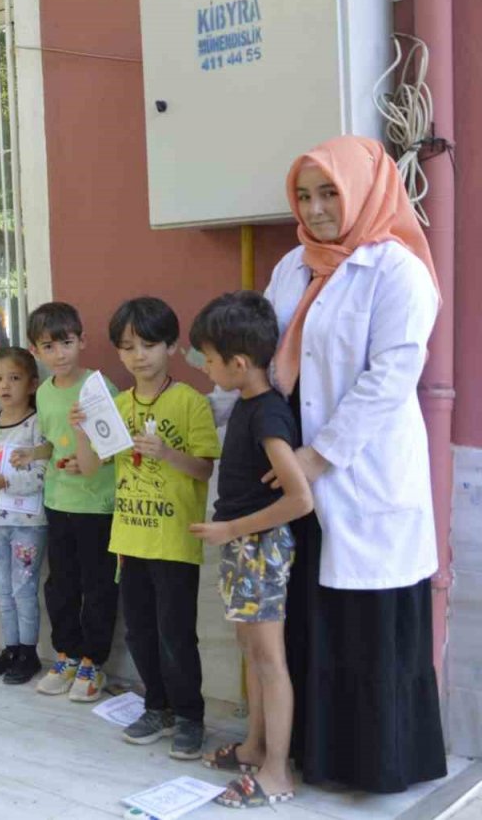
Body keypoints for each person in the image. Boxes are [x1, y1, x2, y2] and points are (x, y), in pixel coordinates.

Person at [266, 135, 446, 793]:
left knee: (368, 629)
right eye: (305, 195)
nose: (315, 210)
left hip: (361, 476)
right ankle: (318, 757)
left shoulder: (398, 269)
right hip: (295, 476)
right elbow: (266, 355)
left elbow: (391, 376)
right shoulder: (292, 267)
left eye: (330, 193)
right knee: (314, 617)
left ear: (365, 190)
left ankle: (380, 767)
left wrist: (321, 455)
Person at [72, 297, 219, 761]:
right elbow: (93, 467)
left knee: (175, 633)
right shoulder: (114, 405)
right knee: (138, 631)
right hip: (129, 538)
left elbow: (203, 470)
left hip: (175, 540)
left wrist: (167, 454)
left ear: (172, 346)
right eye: (128, 347)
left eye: (150, 345)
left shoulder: (191, 402)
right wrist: (82, 428)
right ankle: (157, 706)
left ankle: (190, 716)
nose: (139, 356)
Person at [188, 291, 314, 808]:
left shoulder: (268, 415)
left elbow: (299, 499)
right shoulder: (245, 404)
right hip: (243, 546)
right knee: (251, 653)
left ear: (239, 363)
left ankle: (277, 771)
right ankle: (255, 746)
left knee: (269, 659)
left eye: (211, 361)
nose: (207, 369)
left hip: (257, 546)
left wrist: (232, 528)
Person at [24, 302, 119, 702]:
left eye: (66, 342)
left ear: (82, 341)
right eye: (49, 346)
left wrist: (89, 463)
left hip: (97, 506)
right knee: (60, 585)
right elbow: (52, 441)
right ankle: (66, 654)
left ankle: (92, 663)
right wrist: (34, 455)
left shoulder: (100, 387)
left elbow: (116, 448)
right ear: (35, 351)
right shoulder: (43, 394)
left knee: (97, 586)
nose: (59, 353)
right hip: (57, 501)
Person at [0, 347, 47, 684]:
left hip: (28, 524)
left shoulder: (37, 425)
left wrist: (9, 481)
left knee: (24, 588)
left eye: (14, 379)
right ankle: (10, 647)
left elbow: (42, 474)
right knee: (2, 588)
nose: (5, 386)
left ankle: (29, 652)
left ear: (32, 384)